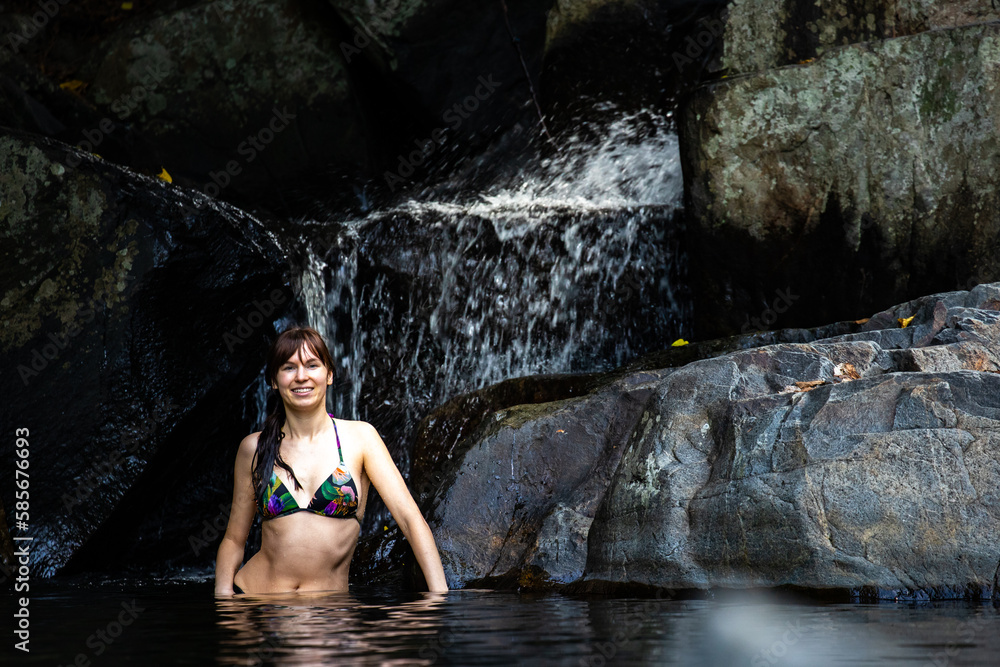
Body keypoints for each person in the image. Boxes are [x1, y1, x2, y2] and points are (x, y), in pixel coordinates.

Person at [214, 326, 448, 594]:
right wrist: (225, 601)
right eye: (289, 368)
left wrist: (439, 598)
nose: (301, 377)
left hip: (329, 615)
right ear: (274, 380)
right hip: (259, 607)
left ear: (329, 375)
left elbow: (410, 519)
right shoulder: (254, 448)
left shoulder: (361, 438)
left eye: (312, 365)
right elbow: (233, 539)